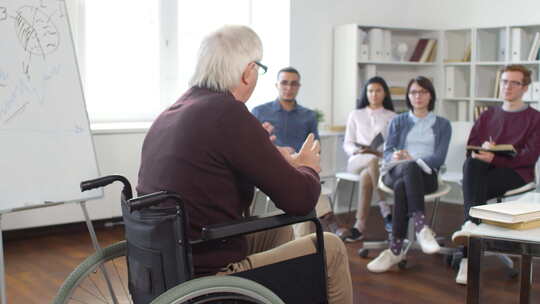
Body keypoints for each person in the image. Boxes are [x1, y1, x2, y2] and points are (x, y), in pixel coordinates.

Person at [136, 25, 352, 303]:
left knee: (279, 230)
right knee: (331, 247)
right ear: (248, 71)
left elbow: (214, 166)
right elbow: (299, 200)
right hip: (207, 270)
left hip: (168, 261)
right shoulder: (228, 113)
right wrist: (307, 166)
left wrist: (271, 155)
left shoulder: (176, 110)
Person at [451, 64, 540, 285]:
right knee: (472, 166)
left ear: (525, 87)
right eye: (504, 81)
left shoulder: (535, 118)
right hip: (484, 170)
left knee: (473, 187)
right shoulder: (488, 114)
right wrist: (483, 148)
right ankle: (473, 233)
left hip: (517, 174)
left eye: (514, 82)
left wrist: (496, 158)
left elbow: (529, 157)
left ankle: (468, 248)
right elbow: (471, 147)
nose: (507, 86)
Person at [367, 76, 452, 273]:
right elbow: (387, 152)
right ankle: (422, 228)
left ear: (430, 95)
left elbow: (439, 158)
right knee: (407, 169)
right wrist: (396, 155)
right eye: (414, 92)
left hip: (426, 176)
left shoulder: (443, 125)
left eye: (423, 92)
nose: (418, 96)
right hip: (395, 170)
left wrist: (413, 158)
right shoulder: (398, 121)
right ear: (408, 96)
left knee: (404, 182)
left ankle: (395, 249)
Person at [252, 67, 338, 236]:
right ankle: (326, 215)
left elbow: (316, 146)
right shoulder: (259, 112)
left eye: (293, 84)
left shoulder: (309, 115)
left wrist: (299, 157)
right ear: (277, 85)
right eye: (284, 83)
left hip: (299, 167)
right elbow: (251, 147)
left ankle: (301, 245)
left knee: (302, 189)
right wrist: (280, 151)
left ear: (299, 86)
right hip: (272, 167)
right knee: (305, 190)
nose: (289, 88)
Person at [336, 76, 396, 242]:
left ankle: (359, 227)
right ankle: (384, 207)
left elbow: (392, 145)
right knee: (370, 160)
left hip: (380, 161)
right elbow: (347, 143)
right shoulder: (355, 114)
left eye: (378, 90)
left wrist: (380, 153)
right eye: (370, 91)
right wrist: (357, 151)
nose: (374, 94)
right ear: (366, 93)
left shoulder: (392, 116)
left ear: (385, 93)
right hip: (357, 160)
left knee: (366, 177)